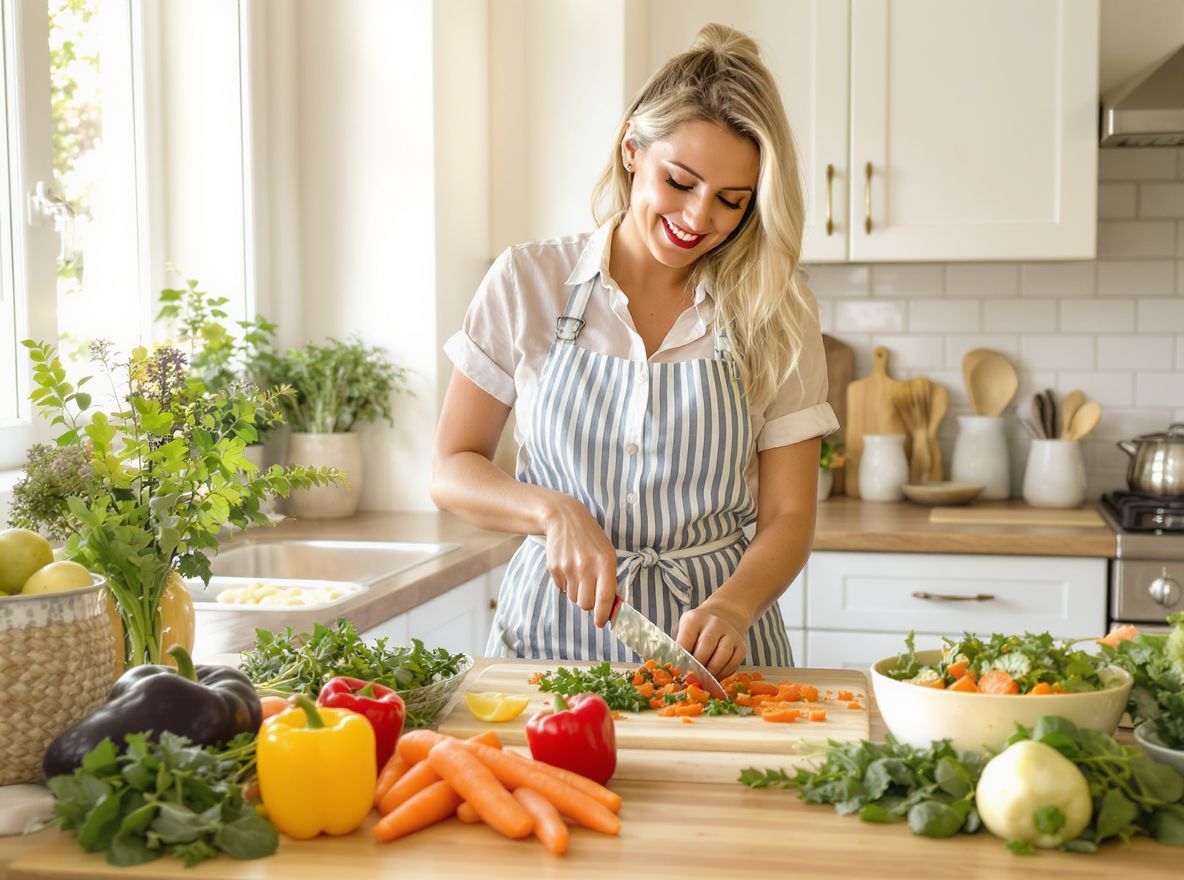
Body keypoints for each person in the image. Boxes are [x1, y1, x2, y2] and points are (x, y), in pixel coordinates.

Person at [431, 23, 837, 680]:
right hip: (547, 652)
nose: (698, 219)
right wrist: (549, 509)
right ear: (631, 151)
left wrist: (734, 608)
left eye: (731, 202)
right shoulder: (527, 282)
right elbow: (452, 465)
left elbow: (789, 515)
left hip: (714, 661)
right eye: (679, 182)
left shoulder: (777, 309)